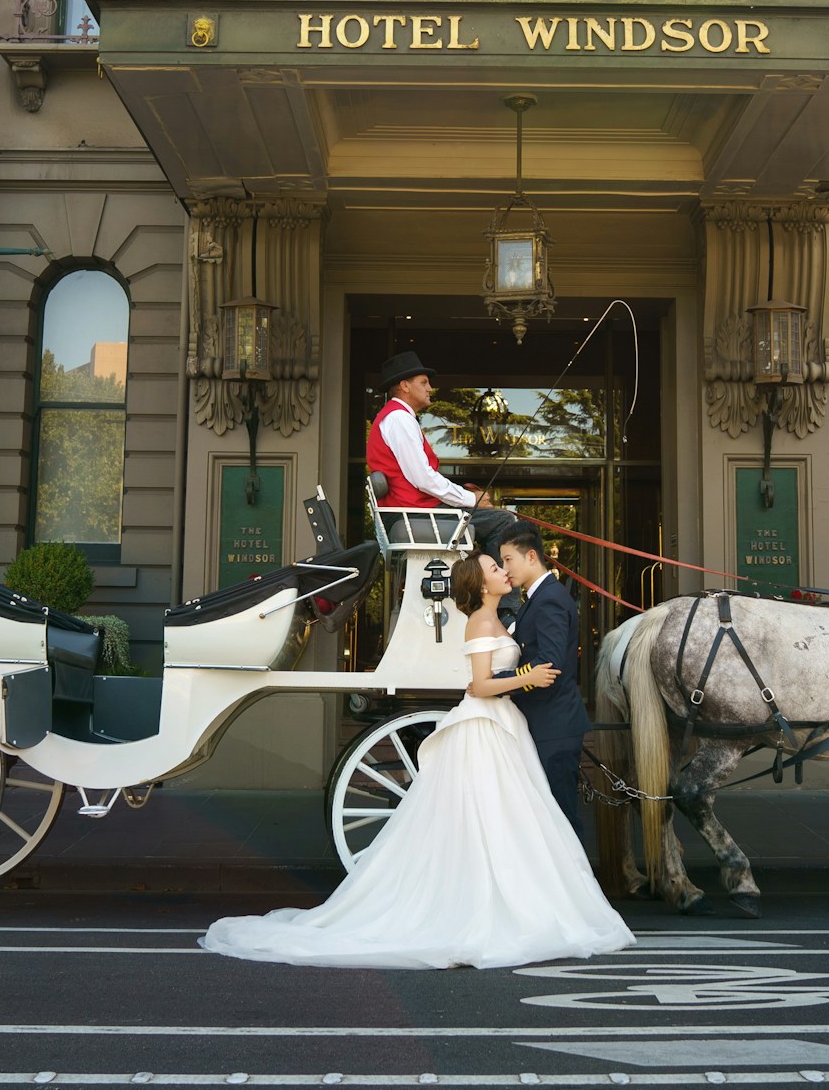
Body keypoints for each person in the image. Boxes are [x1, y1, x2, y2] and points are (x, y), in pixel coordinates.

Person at [199, 547, 633, 968]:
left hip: (503, 724)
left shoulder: (497, 619)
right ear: (482, 585)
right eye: (494, 567)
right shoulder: (480, 623)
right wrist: (528, 676)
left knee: (508, 816)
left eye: (502, 564)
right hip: (485, 723)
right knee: (492, 815)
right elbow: (480, 686)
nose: (503, 571)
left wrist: (521, 674)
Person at [495, 518, 593, 837]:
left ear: (531, 556)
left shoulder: (549, 599)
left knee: (560, 818)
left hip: (554, 724)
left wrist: (500, 682)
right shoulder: (538, 597)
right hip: (547, 720)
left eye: (508, 559)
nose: (505, 568)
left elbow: (547, 664)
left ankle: (577, 872)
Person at [366, 351, 478, 510]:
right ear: (405, 386)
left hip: (410, 509)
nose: (430, 389)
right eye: (424, 383)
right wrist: (471, 499)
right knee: (502, 519)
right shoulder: (399, 418)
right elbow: (423, 478)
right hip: (413, 511)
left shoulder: (397, 416)